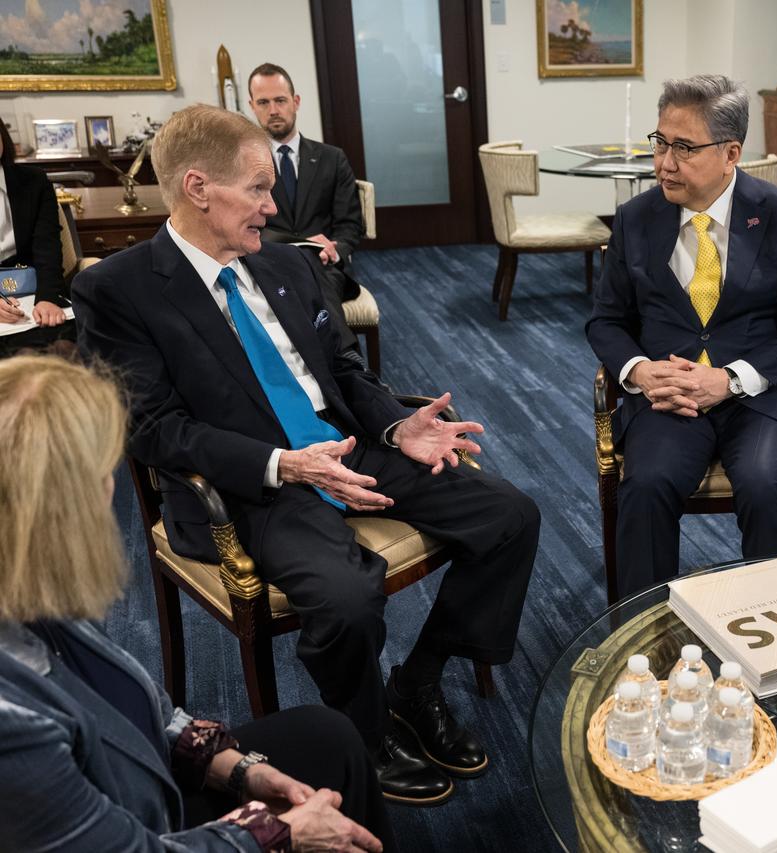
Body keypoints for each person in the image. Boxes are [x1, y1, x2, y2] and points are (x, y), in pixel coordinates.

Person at [73, 104, 540, 807]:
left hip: (345, 445)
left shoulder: (287, 264)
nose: (274, 205)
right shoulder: (117, 290)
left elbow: (347, 372)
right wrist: (284, 464)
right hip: (253, 483)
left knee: (510, 513)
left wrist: (395, 429)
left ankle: (419, 678)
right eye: (259, 189)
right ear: (198, 188)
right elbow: (153, 430)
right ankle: (368, 734)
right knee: (348, 598)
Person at [0, 354, 389, 852]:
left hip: (139, 791)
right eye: (104, 469)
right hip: (140, 829)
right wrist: (277, 833)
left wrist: (232, 768)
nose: (111, 485)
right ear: (57, 506)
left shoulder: (32, 586)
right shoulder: (11, 727)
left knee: (328, 737)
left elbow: (136, 705)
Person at [586, 75, 777, 599]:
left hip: (764, 396)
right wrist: (638, 371)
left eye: (683, 148)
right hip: (668, 395)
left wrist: (731, 379)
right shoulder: (635, 218)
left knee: (766, 486)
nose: (664, 163)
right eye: (659, 143)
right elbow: (606, 320)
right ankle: (642, 641)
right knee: (647, 487)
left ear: (730, 153)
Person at [248, 62, 363, 355]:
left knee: (313, 272)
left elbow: (350, 225)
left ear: (295, 102)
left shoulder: (332, 158)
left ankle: (345, 363)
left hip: (325, 264)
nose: (273, 109)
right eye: (263, 102)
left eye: (280, 100)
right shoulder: (244, 167)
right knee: (299, 274)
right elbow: (244, 223)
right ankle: (348, 362)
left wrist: (334, 249)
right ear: (252, 106)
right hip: (268, 262)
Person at [0, 121, 72, 357]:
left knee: (65, 347)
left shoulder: (34, 180)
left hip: (34, 289)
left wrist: (48, 298)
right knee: (23, 358)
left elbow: (48, 245)